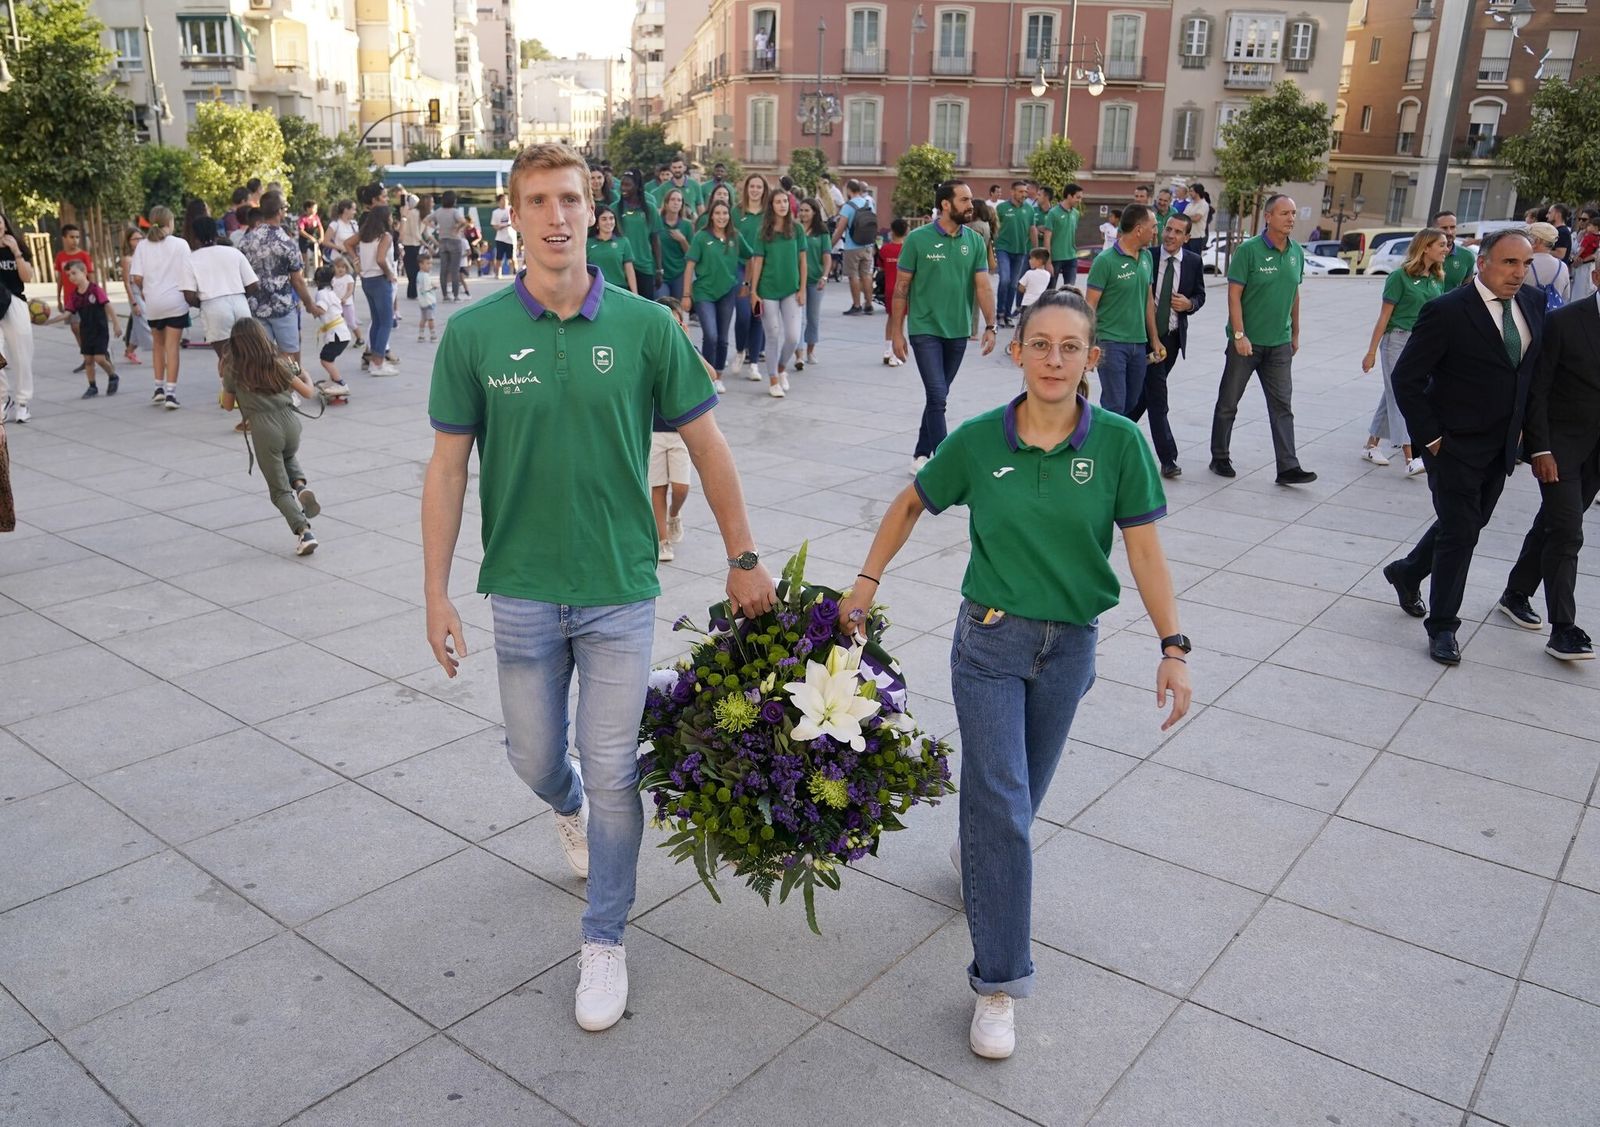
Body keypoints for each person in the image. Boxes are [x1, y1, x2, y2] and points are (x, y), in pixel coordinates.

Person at [421, 141, 775, 1034]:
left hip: (621, 586)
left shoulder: (648, 327)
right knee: (537, 759)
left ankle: (605, 938)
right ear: (514, 215)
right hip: (525, 588)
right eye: (537, 199)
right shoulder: (474, 334)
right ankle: (565, 804)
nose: (555, 215)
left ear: (591, 210)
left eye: (570, 198)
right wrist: (435, 590)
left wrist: (742, 555)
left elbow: (707, 444)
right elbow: (448, 469)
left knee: (618, 769)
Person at [839, 287, 1191, 1061]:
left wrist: (1174, 644)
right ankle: (1000, 981)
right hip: (990, 644)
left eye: (1071, 347)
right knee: (1002, 800)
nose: (1056, 359)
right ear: (1017, 350)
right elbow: (908, 504)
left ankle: (981, 854)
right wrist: (866, 581)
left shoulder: (1121, 446)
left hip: (1070, 650)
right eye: (1042, 344)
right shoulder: (977, 441)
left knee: (1016, 800)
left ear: (1092, 357)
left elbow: (1143, 551)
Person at [1385, 229, 1545, 665]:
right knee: (1460, 533)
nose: (1519, 272)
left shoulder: (1532, 304)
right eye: (1510, 263)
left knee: (1470, 524)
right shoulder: (1447, 311)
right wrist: (1433, 439)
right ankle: (1443, 627)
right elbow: (1407, 379)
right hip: (1453, 445)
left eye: (1526, 264)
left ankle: (1407, 571)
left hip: (1501, 446)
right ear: (1483, 263)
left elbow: (1528, 379)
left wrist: (1534, 440)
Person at [1499, 253, 1600, 660]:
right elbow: (1537, 391)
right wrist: (1539, 447)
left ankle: (1516, 592)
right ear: (1596, 275)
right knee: (1567, 531)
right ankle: (1564, 628)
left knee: (1553, 524)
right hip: (1558, 448)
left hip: (1596, 453)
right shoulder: (1565, 322)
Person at [890, 179, 998, 475]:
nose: (971, 205)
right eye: (964, 200)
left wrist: (991, 325)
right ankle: (948, 461)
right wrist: (896, 332)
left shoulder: (975, 241)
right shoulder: (917, 240)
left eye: (971, 199)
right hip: (924, 329)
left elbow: (983, 286)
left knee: (938, 396)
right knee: (937, 394)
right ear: (946, 205)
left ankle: (921, 453)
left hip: (959, 330)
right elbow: (901, 288)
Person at [1209, 194, 1317, 485]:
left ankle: (1288, 467)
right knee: (1229, 401)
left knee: (1283, 406)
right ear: (1268, 216)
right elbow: (1234, 294)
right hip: (1246, 343)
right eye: (1285, 213)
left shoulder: (1297, 252)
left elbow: (1294, 292)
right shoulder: (1249, 251)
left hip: (1279, 343)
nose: (1291, 218)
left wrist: (1295, 332)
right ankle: (1219, 456)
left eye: (1293, 213)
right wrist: (1239, 334)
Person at [220, 318, 325, 556]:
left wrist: (232, 388)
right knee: (286, 456)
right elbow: (308, 392)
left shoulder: (234, 369)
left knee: (278, 490)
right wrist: (305, 374)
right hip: (290, 423)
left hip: (265, 429)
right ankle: (300, 486)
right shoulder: (277, 363)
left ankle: (304, 532)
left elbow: (227, 405)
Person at [1360, 228, 1447, 475]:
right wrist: (1371, 352)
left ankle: (1371, 445)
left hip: (1421, 343)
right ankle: (1411, 456)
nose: (1446, 249)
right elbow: (1384, 317)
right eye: (1441, 244)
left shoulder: (1437, 277)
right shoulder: (1399, 277)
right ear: (1426, 247)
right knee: (1402, 395)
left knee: (1392, 393)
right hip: (1396, 340)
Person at [1130, 212, 1205, 477]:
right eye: (1168, 230)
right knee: (1158, 396)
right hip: (1148, 338)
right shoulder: (1146, 256)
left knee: (1145, 396)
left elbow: (1200, 295)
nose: (1170, 236)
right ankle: (1168, 459)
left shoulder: (1194, 262)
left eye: (1177, 232)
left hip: (1172, 339)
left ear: (1187, 237)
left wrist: (1190, 304)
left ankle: (1117, 431)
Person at [1085, 203, 1164, 417]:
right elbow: (1089, 306)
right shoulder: (1104, 261)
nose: (1156, 231)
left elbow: (1147, 301)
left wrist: (1154, 339)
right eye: (1153, 226)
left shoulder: (1147, 257)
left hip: (1138, 344)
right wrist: (1087, 345)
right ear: (1139, 229)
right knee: (1115, 406)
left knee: (1131, 403)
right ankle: (1106, 448)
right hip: (1110, 343)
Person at [239, 191, 322, 365]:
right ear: (280, 211)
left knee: (263, 353)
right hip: (282, 306)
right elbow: (297, 280)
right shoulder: (287, 242)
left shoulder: (247, 240)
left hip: (255, 305)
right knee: (290, 352)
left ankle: (268, 388)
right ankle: (293, 388)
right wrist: (309, 304)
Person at [129, 205, 194, 410]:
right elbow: (189, 272)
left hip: (153, 303)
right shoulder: (181, 244)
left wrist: (147, 291)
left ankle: (158, 388)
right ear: (170, 222)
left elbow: (137, 277)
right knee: (172, 346)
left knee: (158, 345)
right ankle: (171, 393)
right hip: (176, 301)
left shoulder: (142, 246)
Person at [681, 199, 748, 393]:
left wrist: (746, 283)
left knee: (723, 338)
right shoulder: (702, 237)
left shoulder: (735, 236)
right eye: (717, 213)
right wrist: (686, 294)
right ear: (711, 216)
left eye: (725, 213)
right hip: (704, 293)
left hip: (727, 292)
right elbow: (690, 266)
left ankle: (718, 375)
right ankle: (706, 375)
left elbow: (751, 256)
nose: (721, 217)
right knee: (710, 335)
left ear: (730, 216)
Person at [185, 214, 261, 380]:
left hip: (212, 306)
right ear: (216, 233)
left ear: (195, 237)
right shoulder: (233, 253)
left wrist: (202, 303)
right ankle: (252, 386)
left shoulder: (191, 260)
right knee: (247, 351)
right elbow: (254, 285)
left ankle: (231, 393)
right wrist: (238, 294)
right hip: (240, 302)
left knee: (226, 356)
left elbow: (189, 296)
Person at [747, 188, 806, 398]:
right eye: (777, 202)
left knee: (792, 336)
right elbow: (757, 263)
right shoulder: (763, 231)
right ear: (771, 206)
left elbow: (803, 261)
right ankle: (772, 379)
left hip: (791, 290)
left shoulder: (797, 230)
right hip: (767, 291)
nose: (782, 205)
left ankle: (781, 368)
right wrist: (753, 291)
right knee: (772, 334)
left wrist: (802, 289)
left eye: (785, 201)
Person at [52, 261, 119, 397]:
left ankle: (112, 376)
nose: (72, 277)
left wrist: (116, 323)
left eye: (74, 273)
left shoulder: (95, 289)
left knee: (100, 359)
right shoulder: (74, 295)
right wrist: (49, 321)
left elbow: (108, 306)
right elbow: (67, 314)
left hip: (100, 329)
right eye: (69, 275)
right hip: (86, 330)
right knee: (88, 360)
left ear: (84, 272)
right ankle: (92, 386)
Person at [734, 174, 769, 377]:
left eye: (759, 187)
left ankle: (754, 362)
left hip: (763, 268)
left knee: (758, 315)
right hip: (740, 267)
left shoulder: (768, 214)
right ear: (746, 189)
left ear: (764, 190)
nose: (755, 190)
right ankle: (740, 350)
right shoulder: (737, 212)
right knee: (742, 315)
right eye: (752, 186)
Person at [356, 205, 398, 375]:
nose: (392, 219)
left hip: (367, 279)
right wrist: (389, 273)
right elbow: (381, 259)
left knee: (376, 321)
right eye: (390, 216)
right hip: (380, 280)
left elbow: (347, 243)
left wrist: (355, 258)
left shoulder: (365, 235)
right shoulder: (385, 236)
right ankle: (378, 363)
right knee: (386, 322)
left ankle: (374, 359)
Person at [0, 209, 32, 424]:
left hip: (15, 303)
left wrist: (16, 252)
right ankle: (2, 399)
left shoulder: (16, 246)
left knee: (21, 355)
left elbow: (27, 277)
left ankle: (22, 402)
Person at [993, 181, 1036, 328]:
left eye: (1025, 191)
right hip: (1003, 249)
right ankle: (999, 314)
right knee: (1004, 280)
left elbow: (1032, 230)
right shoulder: (1001, 208)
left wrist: (1036, 251)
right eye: (1021, 191)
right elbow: (994, 228)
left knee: (1013, 284)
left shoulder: (1029, 209)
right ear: (1012, 192)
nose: (1024, 194)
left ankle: (1007, 315)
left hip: (1021, 251)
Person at [836, 178, 878, 316]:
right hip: (868, 245)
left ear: (848, 190)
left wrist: (829, 245)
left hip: (852, 246)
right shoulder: (868, 202)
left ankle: (856, 305)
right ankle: (869, 304)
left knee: (853, 275)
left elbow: (840, 228)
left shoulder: (848, 206)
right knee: (867, 275)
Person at [310, 263, 353, 397]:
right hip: (340, 332)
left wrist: (308, 305)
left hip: (337, 334)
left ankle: (341, 384)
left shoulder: (321, 294)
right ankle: (332, 381)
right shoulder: (330, 291)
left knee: (325, 359)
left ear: (316, 281)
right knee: (330, 357)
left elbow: (321, 310)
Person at [617, 171, 662, 296]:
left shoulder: (650, 209)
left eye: (628, 185)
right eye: (622, 185)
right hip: (622, 268)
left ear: (638, 187)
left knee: (646, 308)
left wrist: (659, 269)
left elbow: (655, 240)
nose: (623, 188)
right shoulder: (615, 208)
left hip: (645, 266)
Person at [796, 197, 829, 368]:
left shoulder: (822, 232)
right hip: (797, 281)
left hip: (816, 281)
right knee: (798, 319)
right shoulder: (794, 230)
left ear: (814, 212)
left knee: (813, 318)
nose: (803, 213)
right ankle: (799, 355)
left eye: (807, 210)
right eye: (801, 210)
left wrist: (824, 276)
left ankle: (810, 350)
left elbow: (827, 257)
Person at [54, 224, 94, 364]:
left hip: (84, 297)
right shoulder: (60, 256)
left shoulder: (83, 255)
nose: (75, 240)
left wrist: (94, 293)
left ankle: (96, 352)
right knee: (75, 327)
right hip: (70, 299)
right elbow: (60, 278)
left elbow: (90, 276)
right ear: (64, 238)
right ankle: (86, 356)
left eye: (77, 237)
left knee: (85, 327)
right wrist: (58, 298)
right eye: (71, 237)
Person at [876, 217, 908, 366]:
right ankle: (896, 354)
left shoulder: (885, 249)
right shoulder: (907, 249)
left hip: (889, 288)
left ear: (892, 231)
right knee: (900, 321)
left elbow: (880, 269)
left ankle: (887, 349)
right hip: (903, 290)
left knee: (891, 318)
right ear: (906, 231)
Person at [1041, 183, 1083, 290]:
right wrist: (1048, 261)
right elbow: (1047, 238)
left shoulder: (1076, 213)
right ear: (1069, 196)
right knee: (1050, 291)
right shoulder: (1053, 213)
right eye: (1077, 197)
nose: (1079, 201)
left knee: (1070, 291)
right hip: (1055, 259)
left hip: (1072, 257)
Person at [586, 205, 637, 292]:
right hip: (595, 289)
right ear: (597, 223)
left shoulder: (623, 241)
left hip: (619, 289)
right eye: (604, 219)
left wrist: (635, 293)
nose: (609, 222)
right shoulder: (587, 242)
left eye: (611, 218)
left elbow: (629, 270)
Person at [428, 192, 468, 303]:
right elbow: (463, 222)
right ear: (453, 200)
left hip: (442, 241)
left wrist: (436, 227)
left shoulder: (438, 212)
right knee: (454, 270)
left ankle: (445, 295)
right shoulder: (455, 212)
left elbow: (425, 220)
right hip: (454, 241)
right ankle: (456, 296)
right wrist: (457, 228)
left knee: (443, 270)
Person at [656, 188, 694, 303]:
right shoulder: (657, 222)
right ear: (666, 203)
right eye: (672, 199)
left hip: (679, 273)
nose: (676, 202)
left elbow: (692, 255)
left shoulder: (687, 225)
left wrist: (682, 240)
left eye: (679, 200)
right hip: (660, 273)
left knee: (677, 309)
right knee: (662, 305)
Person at [120, 228, 151, 366]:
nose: (139, 242)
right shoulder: (127, 260)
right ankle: (159, 351)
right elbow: (126, 283)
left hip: (144, 293)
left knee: (136, 326)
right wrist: (134, 303)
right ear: (129, 241)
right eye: (135, 239)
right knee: (145, 323)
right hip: (135, 294)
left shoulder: (144, 257)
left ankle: (130, 350)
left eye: (141, 239)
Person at [1527, 221, 1571, 306]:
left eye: (1528, 237)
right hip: (1553, 315)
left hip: (1527, 313)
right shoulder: (1563, 267)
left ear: (1536, 241)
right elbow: (1566, 297)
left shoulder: (1524, 263)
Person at [1432, 210, 1476, 289]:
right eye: (1444, 228)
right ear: (1434, 229)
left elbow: (1466, 290)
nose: (1449, 232)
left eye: (1453, 227)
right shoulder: (1424, 253)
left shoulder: (1467, 256)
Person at [398, 194, 425, 299]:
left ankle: (411, 292)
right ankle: (413, 292)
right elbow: (416, 231)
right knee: (415, 269)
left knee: (409, 268)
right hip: (414, 244)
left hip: (406, 243)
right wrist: (423, 242)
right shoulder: (415, 213)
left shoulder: (404, 212)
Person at [490, 192, 517, 278]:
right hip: (500, 238)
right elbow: (494, 225)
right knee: (499, 257)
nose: (505, 201)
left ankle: (515, 273)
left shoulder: (512, 209)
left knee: (512, 257)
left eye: (506, 199)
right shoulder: (495, 212)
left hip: (511, 238)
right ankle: (498, 273)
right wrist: (501, 226)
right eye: (502, 199)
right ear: (499, 201)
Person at [1184, 184, 1211, 256]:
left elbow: (1196, 218)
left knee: (1194, 259)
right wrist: (1189, 217)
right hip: (1186, 236)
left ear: (1197, 192)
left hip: (1197, 237)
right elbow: (1183, 217)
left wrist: (1187, 217)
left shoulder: (1204, 204)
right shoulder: (1189, 204)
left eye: (1191, 191)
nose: (1190, 193)